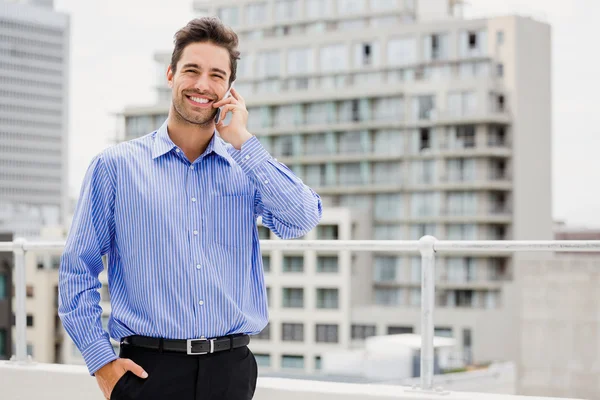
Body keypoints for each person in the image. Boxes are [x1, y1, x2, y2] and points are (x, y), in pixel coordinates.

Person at [58, 17, 322, 400]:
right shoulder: (115, 166)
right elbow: (77, 270)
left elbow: (302, 219)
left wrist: (243, 141)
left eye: (217, 75)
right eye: (192, 70)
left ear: (230, 89)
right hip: (149, 372)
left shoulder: (245, 168)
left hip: (230, 371)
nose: (202, 85)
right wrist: (102, 363)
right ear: (170, 74)